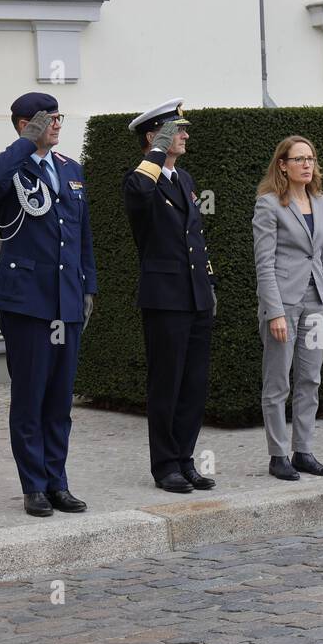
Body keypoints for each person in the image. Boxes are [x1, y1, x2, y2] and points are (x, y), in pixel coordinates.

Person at [0, 92, 96, 517]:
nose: (56, 124)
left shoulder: (71, 170)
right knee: (29, 397)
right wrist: (28, 141)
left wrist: (89, 287)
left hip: (66, 299)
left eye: (58, 116)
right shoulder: (10, 164)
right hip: (27, 302)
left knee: (59, 400)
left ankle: (58, 482)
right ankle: (33, 486)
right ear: (24, 124)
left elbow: (81, 236)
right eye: (47, 118)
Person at [123, 99, 217, 493]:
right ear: (154, 136)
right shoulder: (140, 180)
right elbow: (142, 189)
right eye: (177, 129)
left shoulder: (185, 179)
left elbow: (194, 239)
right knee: (167, 384)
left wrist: (209, 290)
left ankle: (185, 458)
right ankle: (164, 466)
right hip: (164, 298)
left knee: (194, 384)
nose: (185, 134)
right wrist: (157, 154)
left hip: (195, 295)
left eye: (181, 129)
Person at [252, 136, 323, 481]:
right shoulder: (269, 205)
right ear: (283, 165)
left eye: (311, 158)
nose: (307, 164)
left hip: (317, 302)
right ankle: (278, 455)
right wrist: (274, 311)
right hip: (284, 304)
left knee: (310, 379)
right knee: (277, 384)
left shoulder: (322, 203)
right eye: (299, 159)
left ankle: (303, 450)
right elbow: (264, 263)